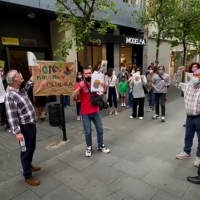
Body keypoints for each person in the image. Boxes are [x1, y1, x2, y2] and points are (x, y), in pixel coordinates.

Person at [4, 69, 40, 186]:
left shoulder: (19, 91)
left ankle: (29, 165)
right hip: (24, 129)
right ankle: (27, 175)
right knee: (26, 151)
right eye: (20, 77)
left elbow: (27, 88)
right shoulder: (10, 95)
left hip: (31, 126)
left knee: (32, 147)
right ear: (15, 81)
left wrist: (33, 75)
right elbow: (11, 116)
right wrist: (17, 132)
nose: (22, 79)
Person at [72, 67, 110, 157]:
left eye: (89, 73)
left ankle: (100, 145)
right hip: (85, 113)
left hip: (95, 111)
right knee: (88, 132)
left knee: (100, 130)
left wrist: (104, 87)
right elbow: (73, 95)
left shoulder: (95, 82)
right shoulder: (80, 84)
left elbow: (102, 93)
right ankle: (89, 147)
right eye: (86, 73)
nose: (88, 75)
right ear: (83, 75)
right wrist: (79, 88)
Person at [176, 69, 200, 167]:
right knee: (188, 136)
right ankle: (186, 152)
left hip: (199, 117)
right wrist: (178, 73)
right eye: (194, 74)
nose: (194, 77)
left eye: (197, 75)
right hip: (189, 117)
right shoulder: (188, 86)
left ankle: (199, 157)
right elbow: (175, 83)